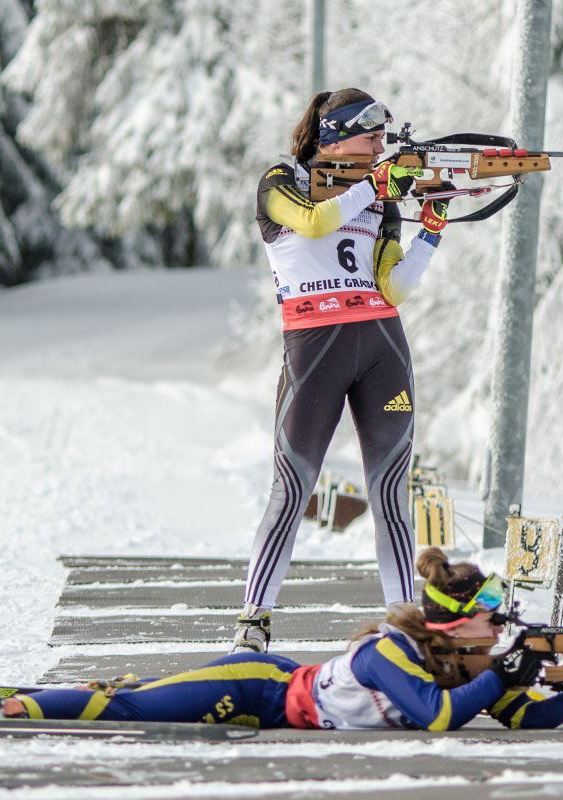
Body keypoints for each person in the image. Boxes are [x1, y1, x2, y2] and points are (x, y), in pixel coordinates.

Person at [233, 88, 450, 654]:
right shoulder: (282, 180)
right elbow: (311, 222)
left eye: (383, 135)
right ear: (335, 135)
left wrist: (431, 225)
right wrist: (374, 186)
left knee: (391, 494)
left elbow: (393, 286)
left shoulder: (379, 201)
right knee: (291, 489)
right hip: (314, 348)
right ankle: (253, 621)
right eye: (371, 133)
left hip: (381, 344)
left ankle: (406, 629)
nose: (381, 143)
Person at [0, 550, 563, 730]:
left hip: (279, 688)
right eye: (490, 611)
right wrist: (508, 669)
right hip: (256, 688)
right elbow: (440, 717)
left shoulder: (466, 660)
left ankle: (83, 692)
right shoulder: (391, 652)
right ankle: (9, 707)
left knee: (146, 697)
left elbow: (525, 717)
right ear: (454, 622)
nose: (501, 622)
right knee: (132, 711)